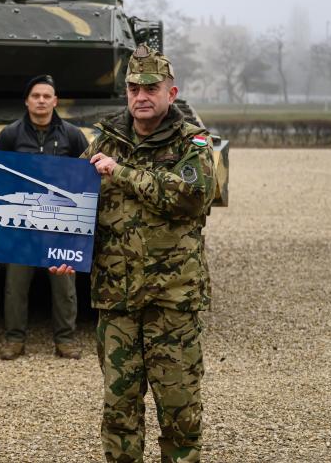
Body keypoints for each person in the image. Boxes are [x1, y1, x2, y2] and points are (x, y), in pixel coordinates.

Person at [52, 45, 216, 463]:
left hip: (172, 302)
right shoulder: (105, 140)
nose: (141, 96)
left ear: (171, 92)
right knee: (119, 410)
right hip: (117, 299)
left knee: (180, 413)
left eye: (151, 88)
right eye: (132, 88)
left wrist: (119, 172)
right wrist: (59, 249)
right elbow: (73, 202)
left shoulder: (192, 144)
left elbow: (190, 197)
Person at [0, 74, 89, 361]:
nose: (41, 100)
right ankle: (14, 339)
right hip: (23, 222)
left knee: (64, 286)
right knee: (16, 286)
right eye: (36, 96)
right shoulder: (11, 134)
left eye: (47, 96)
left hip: (61, 222)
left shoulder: (71, 134)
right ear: (27, 101)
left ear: (55, 101)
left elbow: (85, 175)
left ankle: (65, 340)